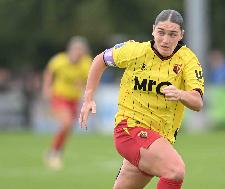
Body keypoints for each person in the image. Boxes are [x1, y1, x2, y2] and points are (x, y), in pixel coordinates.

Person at [79, 9, 204, 189]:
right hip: (129, 129)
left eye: (172, 34)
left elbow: (197, 102)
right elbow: (101, 60)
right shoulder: (135, 51)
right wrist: (88, 97)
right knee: (175, 171)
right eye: (161, 32)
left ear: (181, 35)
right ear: (153, 30)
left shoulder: (188, 60)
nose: (165, 40)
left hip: (158, 139)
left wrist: (180, 94)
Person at [42, 36, 92, 170]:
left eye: (81, 50)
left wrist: (87, 96)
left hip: (73, 100)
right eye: (76, 49)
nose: (78, 53)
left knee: (68, 128)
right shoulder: (59, 60)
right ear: (70, 50)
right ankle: (53, 153)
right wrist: (46, 88)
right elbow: (49, 73)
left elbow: (90, 81)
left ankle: (56, 152)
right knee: (66, 123)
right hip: (59, 96)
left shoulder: (86, 63)